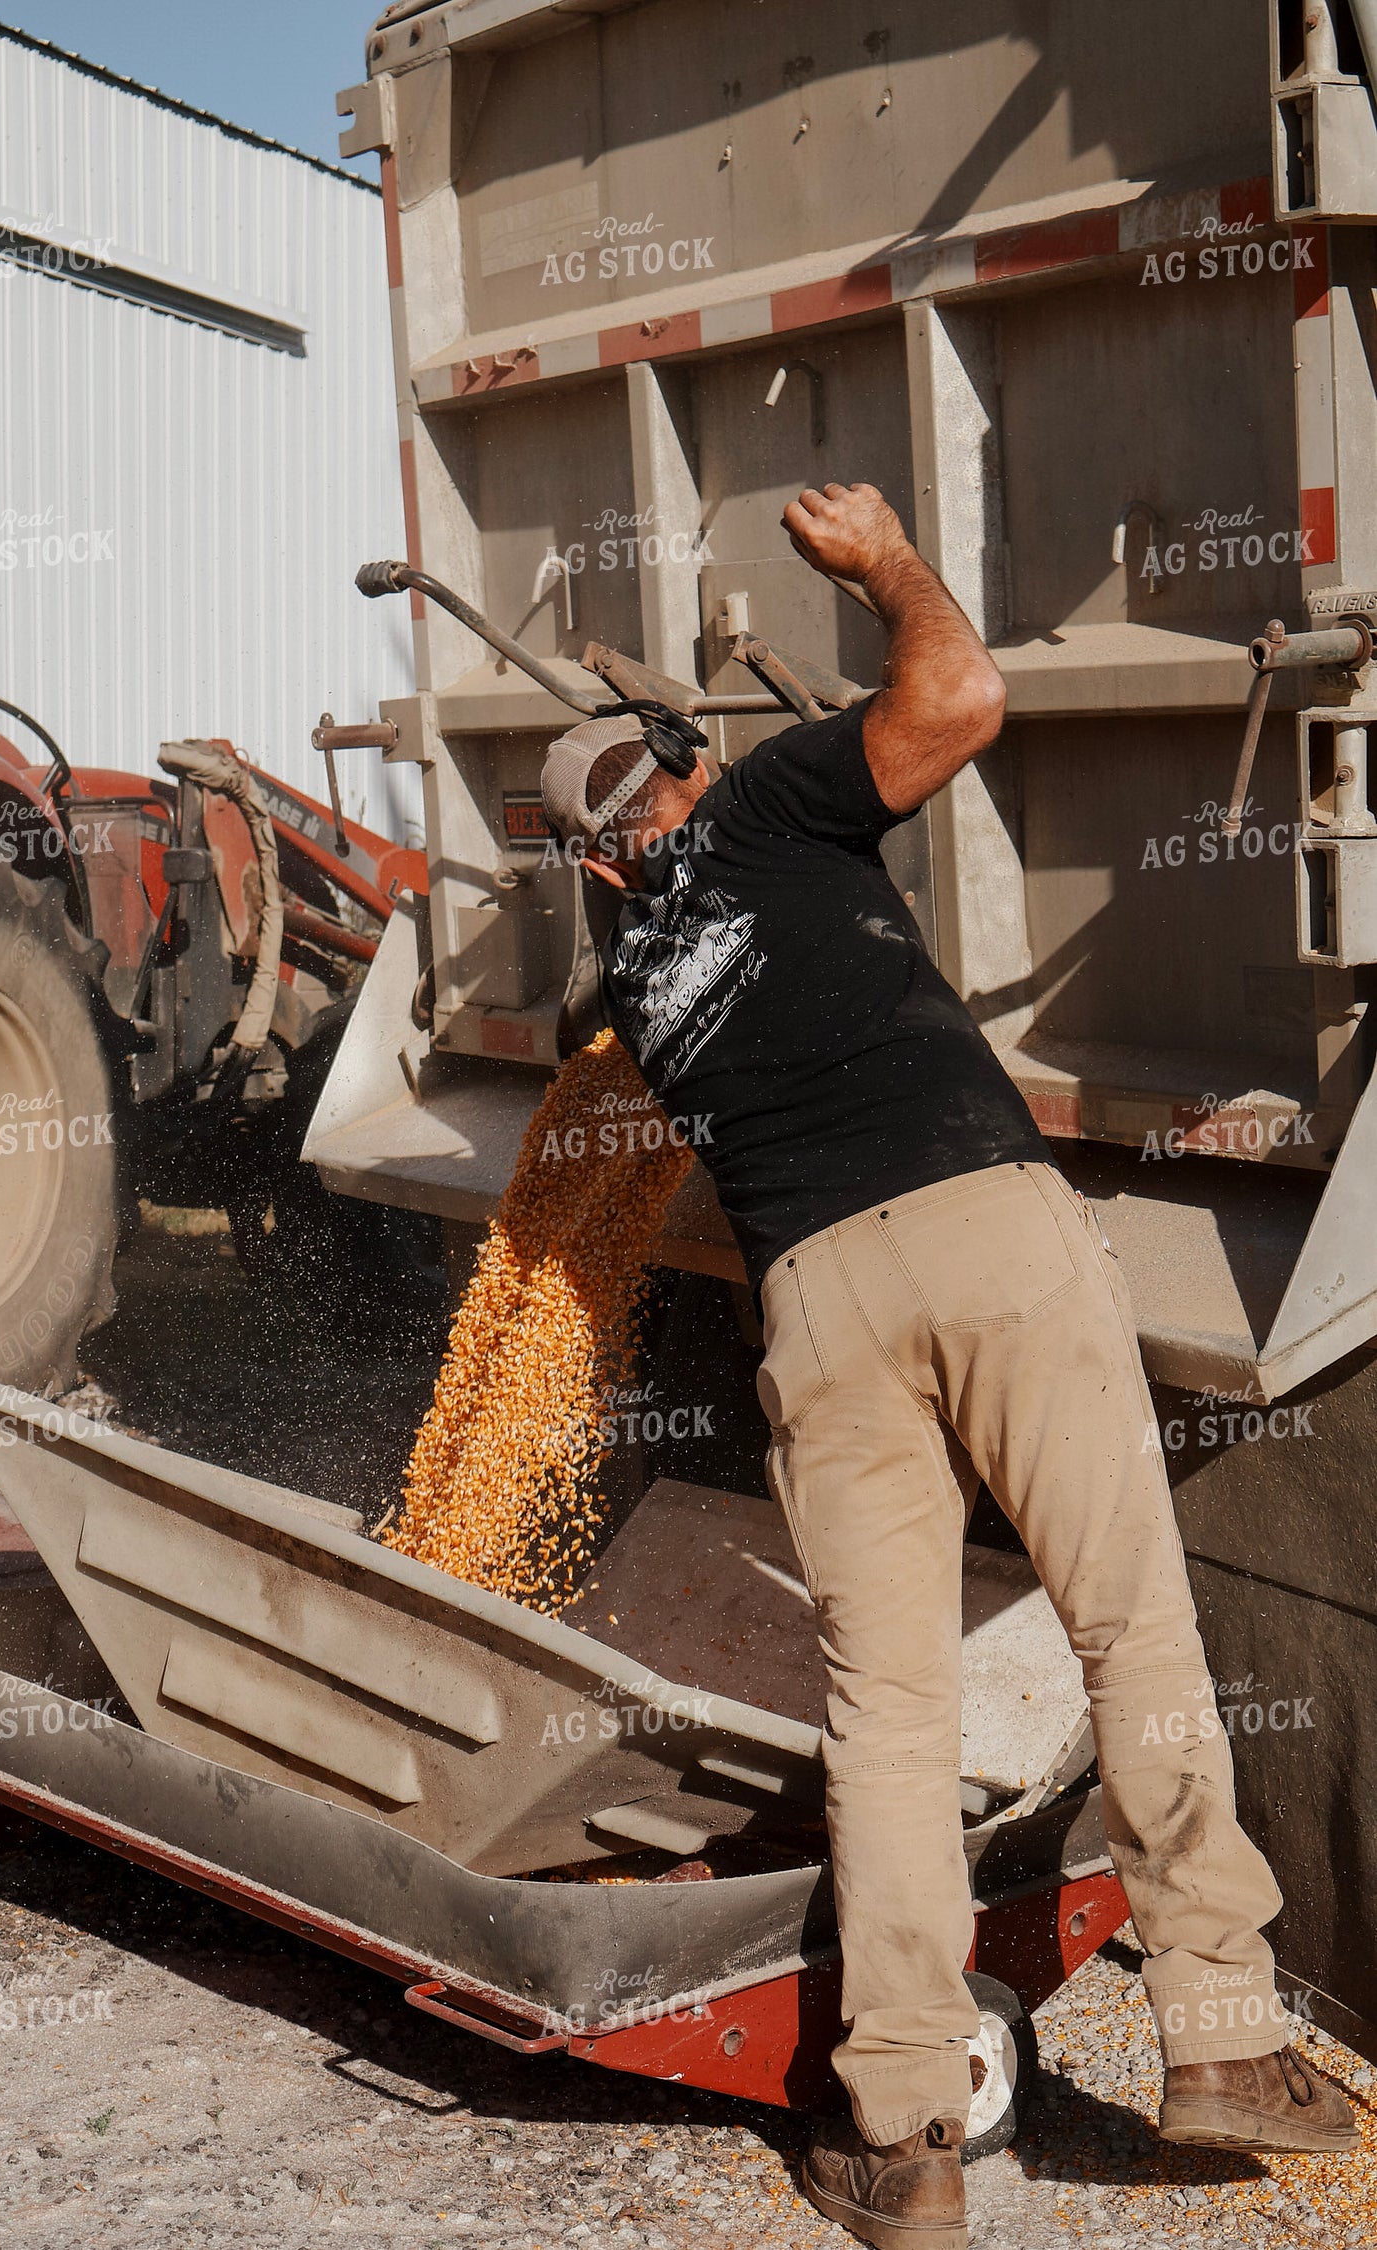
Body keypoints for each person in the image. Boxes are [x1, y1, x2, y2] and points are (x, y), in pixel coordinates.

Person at [539, 481, 1356, 2250]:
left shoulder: (635, 976)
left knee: (885, 1710)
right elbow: (965, 700)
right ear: (676, 775)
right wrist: (889, 564)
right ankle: (1217, 2031)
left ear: (585, 861)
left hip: (817, 1309)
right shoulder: (754, 813)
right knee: (1128, 1615)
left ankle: (903, 2126)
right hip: (985, 1226)